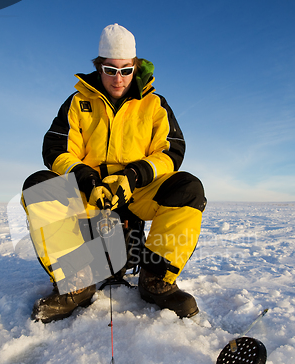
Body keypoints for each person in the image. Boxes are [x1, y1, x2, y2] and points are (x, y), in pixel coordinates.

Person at [22, 23, 206, 323]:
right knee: (38, 186)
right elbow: (56, 148)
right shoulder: (77, 103)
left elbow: (171, 151)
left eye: (125, 69)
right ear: (99, 67)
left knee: (188, 188)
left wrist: (133, 177)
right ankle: (76, 282)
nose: (118, 78)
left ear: (135, 67)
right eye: (110, 69)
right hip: (90, 192)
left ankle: (156, 280)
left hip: (137, 191)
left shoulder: (155, 104)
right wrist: (87, 179)